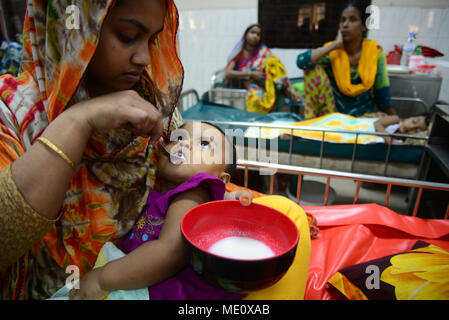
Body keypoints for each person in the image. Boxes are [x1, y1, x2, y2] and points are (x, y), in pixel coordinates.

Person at [0, 0, 252, 300]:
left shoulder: (156, 105)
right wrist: (78, 122)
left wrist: (225, 199)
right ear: (74, 28)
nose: (145, 57)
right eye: (128, 35)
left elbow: (194, 176)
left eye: (153, 38)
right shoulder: (13, 114)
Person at [68, 121, 252, 300]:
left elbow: (171, 251)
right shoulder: (161, 190)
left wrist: (102, 279)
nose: (184, 143)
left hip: (161, 289)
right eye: (178, 138)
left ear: (222, 179)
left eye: (204, 144)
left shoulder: (194, 192)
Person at [296, 1, 396, 119]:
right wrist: (334, 45)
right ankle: (312, 123)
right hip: (332, 116)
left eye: (352, 20)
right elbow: (302, 62)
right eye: (342, 20)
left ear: (363, 26)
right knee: (311, 68)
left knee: (383, 118)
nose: (345, 25)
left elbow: (382, 93)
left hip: (361, 118)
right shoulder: (332, 52)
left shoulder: (375, 53)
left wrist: (395, 120)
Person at [224, 23, 302, 114]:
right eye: (252, 32)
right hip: (250, 84)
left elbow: (278, 70)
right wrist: (251, 74)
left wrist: (291, 88)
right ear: (246, 34)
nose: (255, 36)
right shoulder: (239, 53)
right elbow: (228, 72)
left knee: (273, 62)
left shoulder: (263, 51)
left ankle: (291, 92)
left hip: (268, 83)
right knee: (256, 98)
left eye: (258, 34)